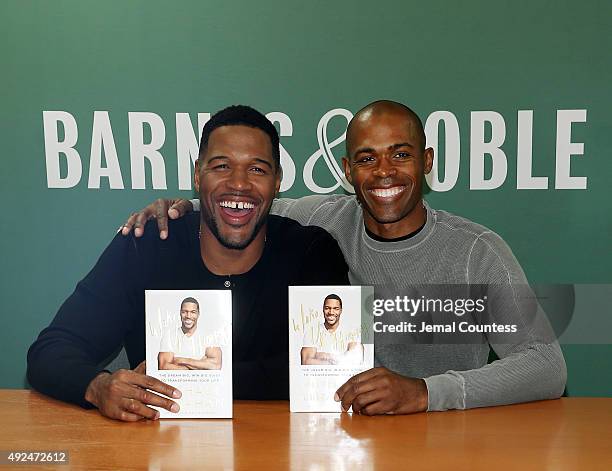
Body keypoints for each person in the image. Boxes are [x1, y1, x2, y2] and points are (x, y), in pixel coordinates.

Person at [122, 100, 567, 416]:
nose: (385, 172)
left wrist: (426, 393)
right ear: (348, 170)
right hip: (335, 441)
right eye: (367, 158)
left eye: (401, 154)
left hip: (440, 438)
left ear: (427, 162)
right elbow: (242, 202)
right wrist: (179, 207)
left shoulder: (475, 250)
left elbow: (546, 366)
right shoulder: (322, 220)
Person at [27, 105, 349, 422]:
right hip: (163, 449)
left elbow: (331, 371)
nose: (239, 183)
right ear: (198, 174)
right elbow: (50, 352)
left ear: (277, 181)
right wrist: (98, 387)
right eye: (222, 166)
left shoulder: (311, 252)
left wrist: (183, 373)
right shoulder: (148, 244)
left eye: (257, 169)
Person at [157, 297, 222, 370]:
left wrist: (180, 360)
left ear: (198, 314)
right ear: (180, 313)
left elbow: (216, 365)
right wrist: (201, 364)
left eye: (193, 312)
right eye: (184, 312)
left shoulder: (209, 337)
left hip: (202, 382)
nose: (188, 316)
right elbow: (164, 367)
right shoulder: (169, 336)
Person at [301, 294, 363, 365]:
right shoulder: (312, 332)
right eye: (327, 308)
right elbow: (306, 362)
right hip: (319, 376)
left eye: (336, 308)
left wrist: (323, 356)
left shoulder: (352, 332)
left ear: (340, 311)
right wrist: (340, 359)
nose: (331, 312)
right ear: (323, 309)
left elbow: (355, 362)